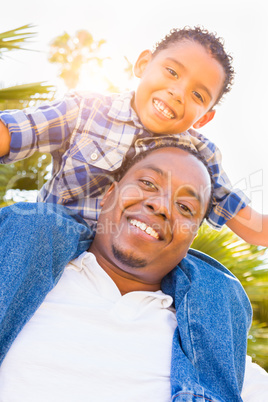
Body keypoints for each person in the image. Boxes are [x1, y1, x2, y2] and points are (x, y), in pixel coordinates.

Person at [0, 142, 253, 401]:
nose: (161, 205)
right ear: (109, 193)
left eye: (185, 207)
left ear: (192, 237)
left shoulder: (216, 350)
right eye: (148, 183)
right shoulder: (16, 266)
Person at [0, 26, 267, 246]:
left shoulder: (201, 157)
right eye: (172, 72)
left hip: (140, 259)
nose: (178, 93)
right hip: (58, 240)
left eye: (197, 95)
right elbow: (14, 132)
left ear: (204, 117)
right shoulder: (85, 109)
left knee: (213, 282)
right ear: (143, 64)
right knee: (27, 224)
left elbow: (253, 226)